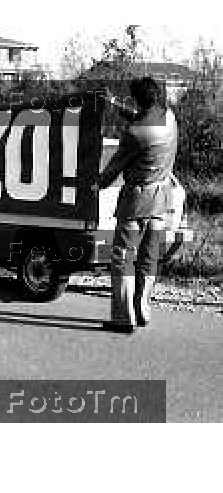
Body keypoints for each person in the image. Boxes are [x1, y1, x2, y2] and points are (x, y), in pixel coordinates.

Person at [97, 77, 178, 333]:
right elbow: (142, 119)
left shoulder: (134, 134)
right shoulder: (169, 118)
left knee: (123, 257)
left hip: (136, 202)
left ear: (137, 99)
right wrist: (115, 106)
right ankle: (142, 309)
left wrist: (96, 184)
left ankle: (123, 318)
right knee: (148, 258)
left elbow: (115, 167)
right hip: (161, 201)